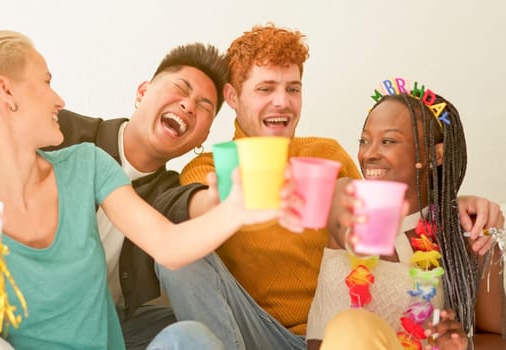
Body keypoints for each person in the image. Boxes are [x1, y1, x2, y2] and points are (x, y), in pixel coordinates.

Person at [0, 29, 302, 349]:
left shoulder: (86, 164)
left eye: (203, 106)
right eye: (46, 82)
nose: (59, 98)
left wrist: (236, 207)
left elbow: (169, 243)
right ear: (5, 91)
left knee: (191, 339)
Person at [155, 24, 505, 350]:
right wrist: (239, 195)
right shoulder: (207, 170)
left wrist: (454, 201)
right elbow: (186, 236)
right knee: (178, 260)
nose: (282, 101)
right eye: (265, 89)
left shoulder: (326, 155)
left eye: (292, 88)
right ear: (231, 96)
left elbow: (389, 208)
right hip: (252, 331)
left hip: (334, 334)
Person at [306, 82, 506, 349]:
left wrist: (461, 346)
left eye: (388, 141)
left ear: (435, 155)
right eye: (364, 141)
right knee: (352, 326)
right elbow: (346, 221)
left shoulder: (469, 233)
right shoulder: (344, 195)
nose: (369, 154)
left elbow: (495, 337)